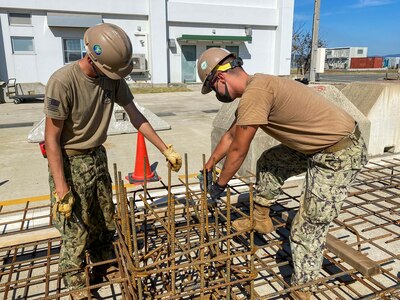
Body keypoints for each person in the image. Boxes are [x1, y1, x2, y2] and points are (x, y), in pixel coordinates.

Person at [197, 48, 368, 299]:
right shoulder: (257, 87)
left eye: (212, 89)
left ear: (220, 79)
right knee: (271, 161)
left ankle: (302, 289)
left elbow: (238, 148)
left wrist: (219, 186)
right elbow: (232, 134)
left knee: (307, 228)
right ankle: (260, 218)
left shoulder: (257, 92)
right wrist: (209, 165)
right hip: (317, 146)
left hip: (338, 154)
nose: (216, 95)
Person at [44, 23, 182, 300]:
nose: (113, 77)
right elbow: (51, 138)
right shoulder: (63, 82)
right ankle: (74, 281)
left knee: (104, 218)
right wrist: (61, 187)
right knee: (75, 226)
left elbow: (136, 115)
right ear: (91, 56)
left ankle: (103, 264)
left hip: (97, 156)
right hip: (70, 161)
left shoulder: (112, 77)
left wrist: (164, 148)